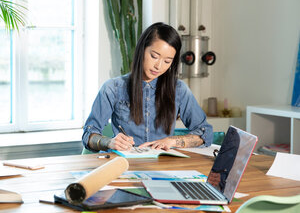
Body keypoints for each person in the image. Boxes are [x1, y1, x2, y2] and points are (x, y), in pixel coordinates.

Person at [82, 22, 213, 152]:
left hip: (163, 167)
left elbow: (205, 132)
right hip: (124, 166)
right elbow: (89, 135)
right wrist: (109, 142)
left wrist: (173, 141)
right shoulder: (113, 88)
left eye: (167, 61)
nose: (159, 66)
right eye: (154, 56)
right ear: (142, 50)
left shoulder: (178, 89)